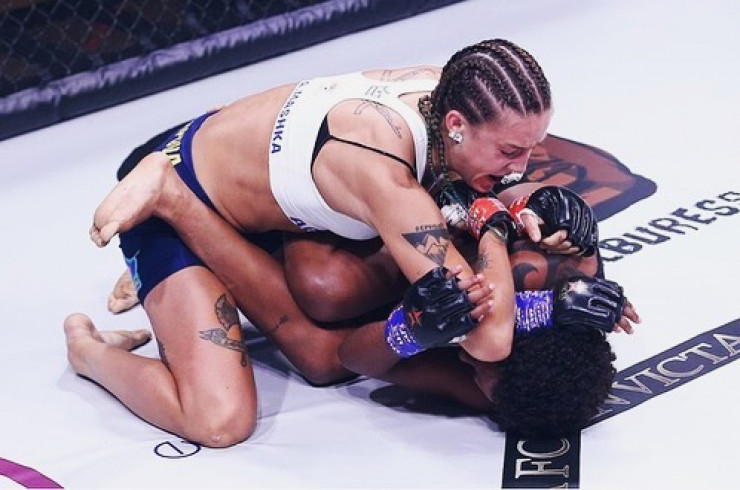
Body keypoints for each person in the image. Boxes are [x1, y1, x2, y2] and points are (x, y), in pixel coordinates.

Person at [65, 38, 610, 446]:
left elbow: (341, 355)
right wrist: (504, 233)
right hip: (183, 187)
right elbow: (488, 340)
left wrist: (542, 221)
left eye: (532, 148)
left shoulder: (462, 96)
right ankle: (88, 350)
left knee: (331, 287)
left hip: (257, 178)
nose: (525, 166)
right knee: (219, 419)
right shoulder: (388, 177)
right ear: (455, 125)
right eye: (513, 151)